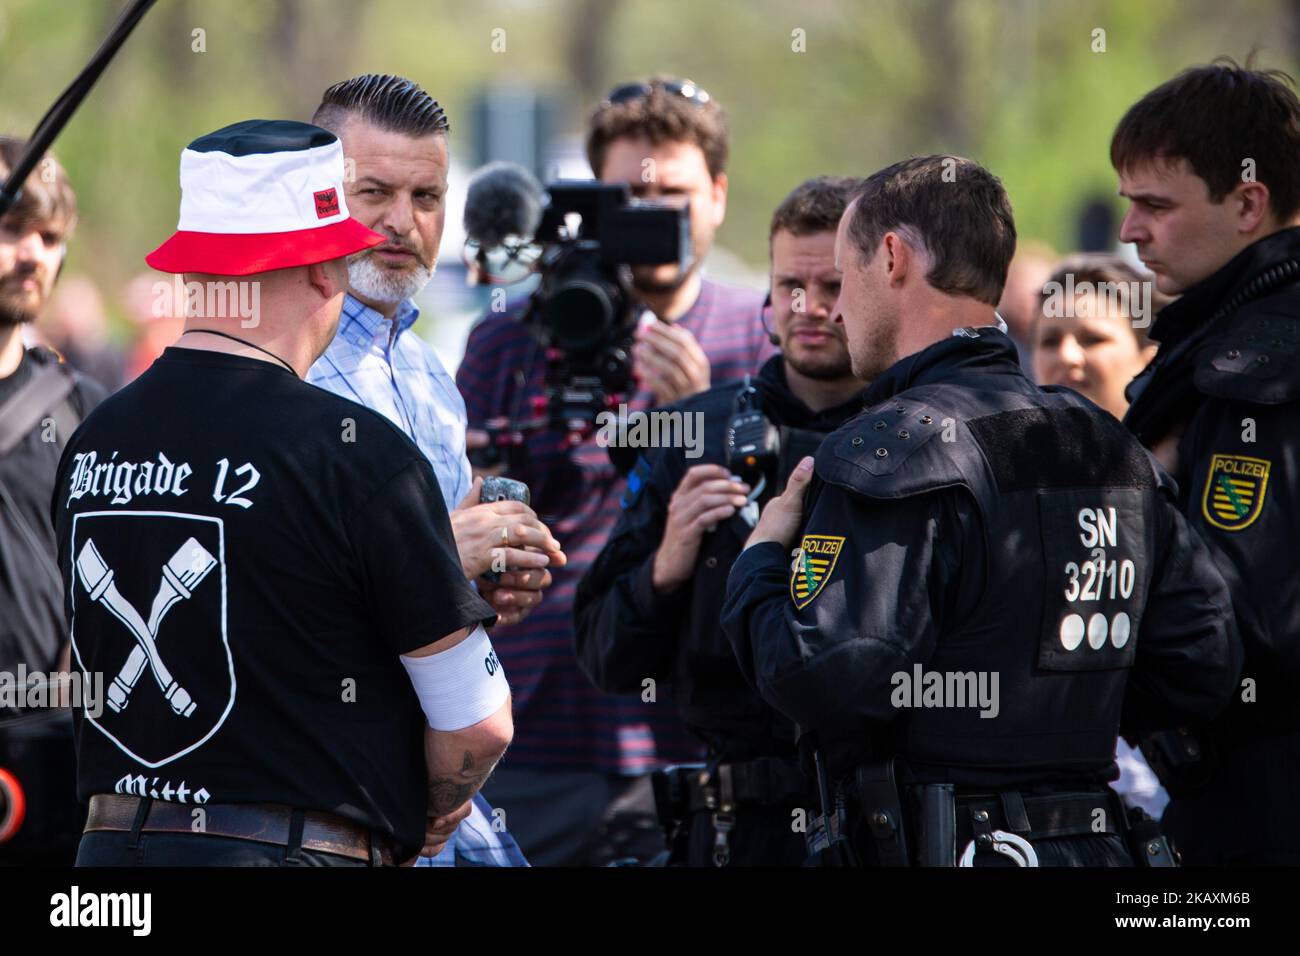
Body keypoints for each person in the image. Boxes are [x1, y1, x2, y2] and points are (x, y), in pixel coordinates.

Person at [720, 155, 1241, 867]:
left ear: (894, 258)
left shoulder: (888, 452)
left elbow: (824, 675)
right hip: (1097, 846)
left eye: (845, 279)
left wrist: (760, 562)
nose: (835, 310)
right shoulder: (1104, 443)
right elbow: (1202, 662)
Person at [55, 119, 508, 867]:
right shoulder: (358, 457)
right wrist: (422, 815)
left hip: (109, 863)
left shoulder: (90, 440)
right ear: (325, 271)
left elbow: (79, 673)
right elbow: (478, 722)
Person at [457, 76, 773, 865]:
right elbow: (466, 525)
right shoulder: (512, 337)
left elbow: (781, 539)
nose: (655, 216)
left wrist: (701, 414)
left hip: (687, 740)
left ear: (720, 196)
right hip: (529, 738)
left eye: (675, 193)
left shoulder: (760, 334)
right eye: (630, 198)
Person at [574, 176, 868, 866]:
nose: (810, 309)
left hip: (881, 818)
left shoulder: (923, 432)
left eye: (832, 288)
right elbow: (604, 654)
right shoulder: (691, 431)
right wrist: (666, 567)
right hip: (733, 825)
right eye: (791, 285)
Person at [307, 74, 560, 866]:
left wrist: (487, 586)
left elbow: (429, 599)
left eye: (427, 196)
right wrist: (439, 550)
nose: (401, 221)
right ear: (315, 194)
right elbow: (268, 592)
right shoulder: (282, 366)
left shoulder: (428, 373)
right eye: (372, 191)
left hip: (452, 802)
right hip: (331, 800)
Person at [1111, 60, 1300, 865]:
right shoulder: (1232, 339)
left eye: (1156, 205)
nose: (1130, 231)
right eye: (1129, 205)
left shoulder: (1261, 366)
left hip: (1261, 796)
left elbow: (1238, 621)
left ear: (1248, 203)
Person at [1030, 252, 1173, 819]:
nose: (1067, 357)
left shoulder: (1182, 490)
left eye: (1092, 338)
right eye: (1049, 339)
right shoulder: (1006, 491)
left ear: (1149, 355)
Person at [0, 137, 104, 865]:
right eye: (11, 229)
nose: (33, 253)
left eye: (50, 236)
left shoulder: (87, 416)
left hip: (45, 755)